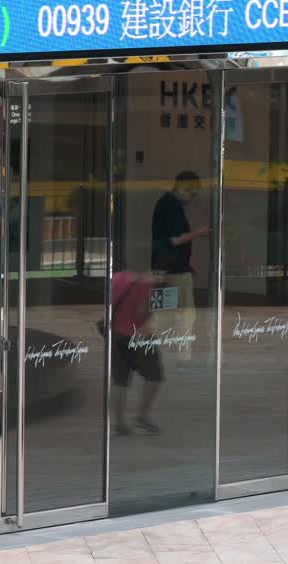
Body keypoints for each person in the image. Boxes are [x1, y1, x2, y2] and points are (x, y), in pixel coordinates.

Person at [151, 171, 210, 363]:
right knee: (186, 315)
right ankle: (183, 357)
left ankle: (152, 352)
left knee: (162, 314)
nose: (192, 199)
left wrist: (187, 262)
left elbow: (168, 241)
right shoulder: (172, 206)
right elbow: (175, 239)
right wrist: (198, 233)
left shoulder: (165, 203)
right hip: (174, 270)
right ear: (184, 188)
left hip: (164, 267)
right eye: (192, 194)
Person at [110, 270, 164, 435]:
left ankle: (119, 422)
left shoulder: (117, 278)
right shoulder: (148, 284)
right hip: (139, 336)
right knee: (155, 376)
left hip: (117, 335)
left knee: (120, 381)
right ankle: (142, 415)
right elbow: (144, 312)